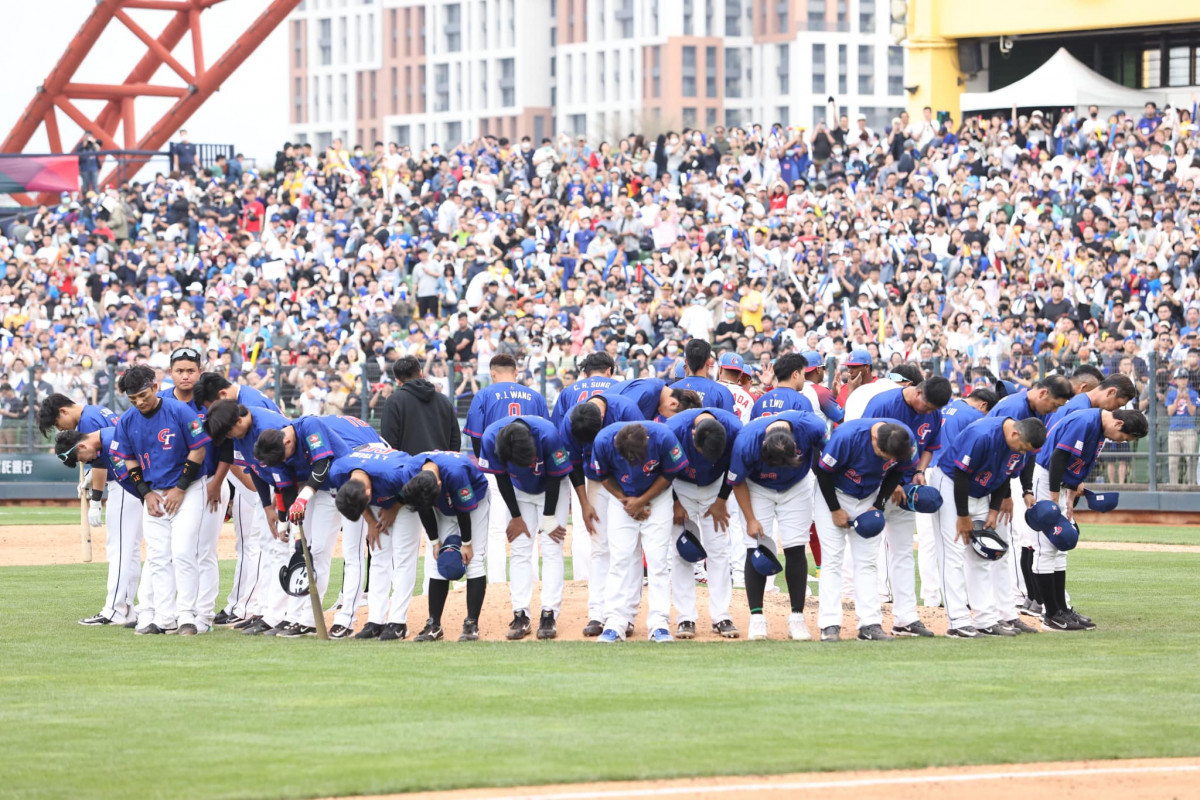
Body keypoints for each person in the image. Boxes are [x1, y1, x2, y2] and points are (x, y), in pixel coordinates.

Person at [253, 414, 385, 636]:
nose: (284, 461)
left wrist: (303, 498)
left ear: (287, 441)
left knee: (352, 553)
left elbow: (322, 464)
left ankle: (346, 619)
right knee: (316, 552)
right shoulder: (277, 447)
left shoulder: (309, 425)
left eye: (284, 456)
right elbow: (287, 488)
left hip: (350, 488)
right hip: (324, 491)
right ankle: (306, 619)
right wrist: (291, 528)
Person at [110, 365, 209, 635]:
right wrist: (145, 493)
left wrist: (181, 488)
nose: (139, 402)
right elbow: (129, 459)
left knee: (183, 552)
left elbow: (198, 450)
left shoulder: (179, 410)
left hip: (188, 489)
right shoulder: (128, 420)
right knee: (157, 557)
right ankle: (165, 618)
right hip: (154, 491)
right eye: (133, 399)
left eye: (143, 395)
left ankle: (187, 615)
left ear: (154, 387)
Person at [1031, 408, 1148, 631]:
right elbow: (1057, 458)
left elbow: (1077, 464)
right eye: (1124, 437)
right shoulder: (1086, 421)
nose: (1121, 441)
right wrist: (1053, 499)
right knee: (1045, 547)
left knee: (1061, 546)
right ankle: (1050, 615)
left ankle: (1061, 609)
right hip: (1046, 479)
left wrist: (1071, 493)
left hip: (1059, 483)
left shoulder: (1100, 428)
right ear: (1118, 424)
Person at [930, 414, 1046, 638]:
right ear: (1015, 433)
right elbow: (961, 474)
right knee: (953, 553)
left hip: (982, 491)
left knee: (983, 556)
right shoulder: (982, 435)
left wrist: (993, 511)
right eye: (1022, 447)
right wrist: (963, 515)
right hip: (951, 484)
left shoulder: (1019, 444)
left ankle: (986, 620)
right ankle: (958, 622)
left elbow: (1005, 476)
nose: (1022, 452)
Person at [858, 377, 952, 638]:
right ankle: (869, 620)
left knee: (903, 553)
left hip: (906, 490)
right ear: (918, 392)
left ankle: (906, 618)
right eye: (927, 406)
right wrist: (891, 482)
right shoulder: (883, 404)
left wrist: (919, 470)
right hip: (874, 486)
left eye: (934, 409)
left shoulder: (933, 413)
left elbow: (930, 446)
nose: (929, 411)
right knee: (868, 555)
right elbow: (866, 448)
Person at [728, 409, 827, 641]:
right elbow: (737, 481)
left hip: (796, 485)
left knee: (796, 547)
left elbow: (831, 451)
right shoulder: (746, 441)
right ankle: (756, 618)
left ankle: (797, 618)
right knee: (756, 548)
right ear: (763, 445)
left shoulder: (812, 427)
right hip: (757, 486)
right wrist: (750, 519)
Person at [192, 372, 281, 626]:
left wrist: (261, 496)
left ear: (222, 395)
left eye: (212, 406)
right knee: (251, 541)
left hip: (270, 479)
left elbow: (263, 458)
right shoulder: (243, 400)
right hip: (258, 478)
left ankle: (254, 607)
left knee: (260, 542)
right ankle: (245, 605)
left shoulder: (250, 406)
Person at [813, 419, 914, 642]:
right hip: (834, 494)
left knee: (867, 562)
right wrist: (835, 509)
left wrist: (878, 505)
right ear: (875, 439)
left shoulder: (904, 439)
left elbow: (897, 472)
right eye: (884, 455)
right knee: (832, 559)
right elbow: (823, 472)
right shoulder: (847, 437)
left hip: (868, 495)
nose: (887, 460)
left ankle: (870, 624)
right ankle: (829, 624)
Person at [589, 421, 689, 642]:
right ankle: (615, 621)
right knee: (620, 559)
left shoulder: (663, 437)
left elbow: (669, 474)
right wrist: (626, 502)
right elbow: (603, 476)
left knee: (657, 561)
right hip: (621, 501)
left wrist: (641, 501)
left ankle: (659, 623)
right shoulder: (604, 441)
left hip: (658, 499)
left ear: (647, 442)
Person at [201, 400, 294, 636]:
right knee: (267, 546)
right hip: (274, 485)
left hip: (291, 484)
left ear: (239, 420)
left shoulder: (266, 428)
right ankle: (265, 611)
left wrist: (279, 505)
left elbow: (286, 470)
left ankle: (280, 614)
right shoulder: (243, 430)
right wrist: (267, 506)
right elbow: (255, 469)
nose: (229, 437)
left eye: (229, 432)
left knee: (281, 548)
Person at [985, 376, 1073, 620]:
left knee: (1015, 539)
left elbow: (1029, 453)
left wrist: (1026, 490)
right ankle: (1014, 599)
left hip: (1008, 476)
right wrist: (1004, 495)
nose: (1054, 410)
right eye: (1054, 404)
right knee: (1009, 540)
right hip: (994, 477)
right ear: (1043, 393)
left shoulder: (1033, 409)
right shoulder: (1016, 409)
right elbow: (1000, 454)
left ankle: (1014, 605)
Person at [478, 416, 572, 639]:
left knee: (551, 548)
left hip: (551, 488)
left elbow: (555, 477)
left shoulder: (547, 435)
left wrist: (548, 517)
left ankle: (549, 613)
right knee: (519, 549)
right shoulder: (491, 437)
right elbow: (501, 478)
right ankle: (520, 614)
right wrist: (516, 516)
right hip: (518, 490)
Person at [559, 391, 644, 636]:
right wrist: (583, 503)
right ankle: (598, 612)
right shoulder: (572, 420)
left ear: (603, 419)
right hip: (596, 481)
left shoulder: (626, 411)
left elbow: (641, 454)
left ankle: (626, 615)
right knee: (599, 544)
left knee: (629, 547)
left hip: (626, 481)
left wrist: (635, 497)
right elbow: (574, 464)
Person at [463, 353, 549, 584]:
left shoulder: (484, 394)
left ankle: (497, 581)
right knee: (529, 525)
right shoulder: (535, 396)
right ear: (516, 372)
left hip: (496, 467)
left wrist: (486, 464)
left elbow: (477, 437)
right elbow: (546, 432)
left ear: (493, 373)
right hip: (529, 469)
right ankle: (532, 578)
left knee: (496, 528)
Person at [53, 425, 143, 627]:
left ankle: (114, 610)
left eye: (82, 459)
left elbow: (129, 477)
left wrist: (95, 501)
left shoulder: (111, 441)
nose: (86, 463)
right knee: (131, 552)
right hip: (138, 493)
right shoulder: (106, 439)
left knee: (119, 551)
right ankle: (127, 609)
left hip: (128, 493)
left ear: (82, 446)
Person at [665, 407, 743, 639]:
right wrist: (675, 502)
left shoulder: (734, 429)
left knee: (718, 549)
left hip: (715, 487)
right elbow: (662, 467)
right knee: (682, 551)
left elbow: (735, 468)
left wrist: (721, 500)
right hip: (681, 485)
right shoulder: (674, 429)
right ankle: (685, 617)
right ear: (693, 434)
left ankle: (721, 616)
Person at [399, 450, 491, 642]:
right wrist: (434, 542)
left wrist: (466, 543)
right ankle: (434, 624)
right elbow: (423, 508)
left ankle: (471, 624)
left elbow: (463, 510)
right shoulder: (410, 471)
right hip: (443, 505)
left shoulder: (456, 473)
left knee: (473, 560)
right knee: (438, 558)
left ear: (439, 484)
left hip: (475, 500)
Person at [329, 445, 417, 641]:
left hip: (406, 497)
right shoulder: (338, 471)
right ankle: (376, 620)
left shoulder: (393, 474)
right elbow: (353, 498)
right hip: (379, 494)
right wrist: (370, 522)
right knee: (378, 555)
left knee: (403, 558)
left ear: (368, 494)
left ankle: (398, 622)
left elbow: (416, 483)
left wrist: (395, 507)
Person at [549, 351, 617, 583]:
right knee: (616, 524)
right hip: (614, 467)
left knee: (581, 523)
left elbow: (558, 432)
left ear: (585, 373)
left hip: (579, 462)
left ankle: (582, 578)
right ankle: (612, 579)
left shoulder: (569, 391)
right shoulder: (618, 386)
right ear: (609, 370)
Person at [380, 356, 460, 454]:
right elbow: (455, 439)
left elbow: (389, 442)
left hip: (408, 462)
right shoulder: (444, 400)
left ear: (397, 381)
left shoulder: (393, 401)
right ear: (421, 373)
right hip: (440, 461)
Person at [670, 339, 735, 411]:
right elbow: (728, 417)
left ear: (686, 362)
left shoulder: (670, 391)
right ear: (708, 362)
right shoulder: (722, 392)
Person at [750, 353, 814, 418]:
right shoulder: (800, 401)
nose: (804, 379)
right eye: (803, 374)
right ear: (795, 374)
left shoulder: (761, 400)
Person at [608, 377, 701, 421]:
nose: (665, 418)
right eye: (670, 418)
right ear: (673, 404)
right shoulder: (647, 392)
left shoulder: (657, 396)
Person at [1165, 368, 1198, 484]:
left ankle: (1191, 484)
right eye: (1180, 378)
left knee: (1191, 460)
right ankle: (1173, 485)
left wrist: (1188, 399)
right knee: (1173, 461)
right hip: (1174, 431)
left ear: (1187, 379)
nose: (1183, 381)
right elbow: (1170, 412)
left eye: (1184, 378)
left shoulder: (1193, 393)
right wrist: (1177, 400)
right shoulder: (1171, 394)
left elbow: (1192, 412)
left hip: (1189, 430)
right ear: (1175, 380)